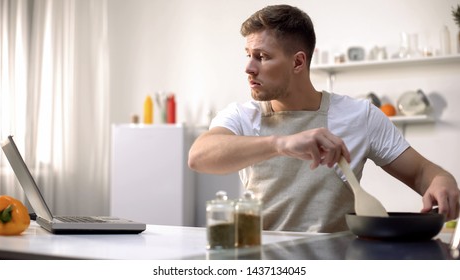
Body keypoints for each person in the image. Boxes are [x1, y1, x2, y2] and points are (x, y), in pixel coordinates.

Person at [188, 4, 460, 232]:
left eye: (262, 57)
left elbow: (422, 172)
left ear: (298, 62)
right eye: (248, 55)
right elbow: (199, 156)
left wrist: (442, 180)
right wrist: (281, 144)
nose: (248, 67)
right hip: (263, 260)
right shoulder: (241, 116)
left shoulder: (359, 116)